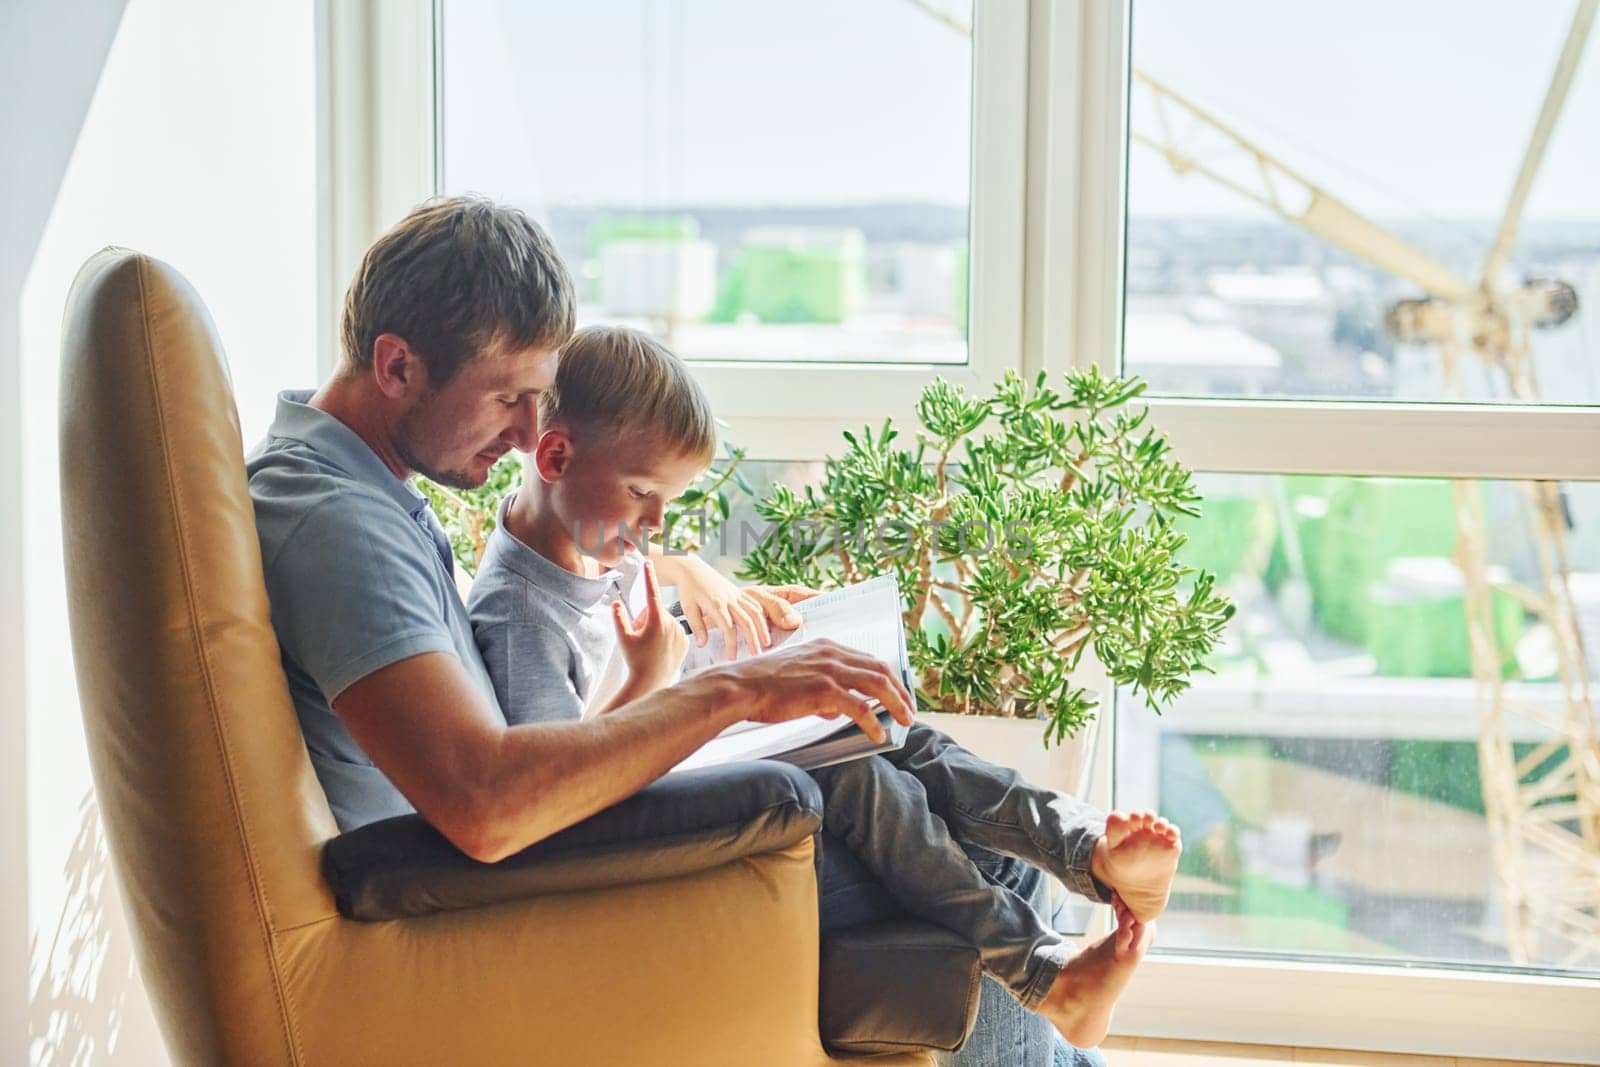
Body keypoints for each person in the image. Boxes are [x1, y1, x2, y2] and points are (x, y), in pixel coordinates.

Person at [242, 195, 1136, 1062]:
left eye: (537, 400)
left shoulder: (369, 492)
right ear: (397, 366)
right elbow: (483, 802)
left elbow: (540, 574)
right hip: (497, 901)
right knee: (959, 863)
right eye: (508, 398)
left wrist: (663, 569)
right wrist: (736, 691)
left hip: (508, 870)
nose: (526, 437)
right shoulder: (337, 520)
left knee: (918, 798)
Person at [467, 324, 1183, 1048]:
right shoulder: (521, 616)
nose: (656, 525)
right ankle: (1047, 975)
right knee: (858, 773)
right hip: (649, 838)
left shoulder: (589, 544)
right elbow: (552, 804)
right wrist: (654, 686)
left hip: (683, 762)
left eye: (668, 504)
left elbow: (644, 631)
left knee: (895, 727)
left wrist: (748, 620)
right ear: (554, 455)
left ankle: (1086, 846)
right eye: (644, 495)